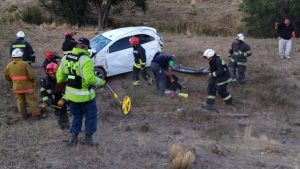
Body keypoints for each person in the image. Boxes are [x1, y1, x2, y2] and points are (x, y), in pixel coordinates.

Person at [56, 38, 106, 146]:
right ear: (86, 47)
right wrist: (101, 82)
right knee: (91, 117)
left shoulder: (65, 58)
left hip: (71, 97)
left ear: (77, 46)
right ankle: (88, 139)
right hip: (86, 97)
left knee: (76, 116)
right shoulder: (86, 60)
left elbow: (59, 77)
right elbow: (91, 79)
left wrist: (70, 80)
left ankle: (73, 138)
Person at [4, 48, 40, 119]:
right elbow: (32, 75)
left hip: (17, 87)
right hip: (28, 87)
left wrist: (13, 82)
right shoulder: (24, 64)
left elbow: (7, 76)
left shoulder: (9, 65)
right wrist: (33, 81)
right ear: (21, 56)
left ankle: (24, 116)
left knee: (20, 101)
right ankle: (36, 115)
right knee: (32, 100)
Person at [40, 62, 69, 129]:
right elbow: (43, 91)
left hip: (62, 99)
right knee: (57, 113)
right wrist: (46, 99)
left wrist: (64, 99)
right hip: (52, 101)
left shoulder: (60, 79)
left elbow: (65, 91)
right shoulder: (45, 81)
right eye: (50, 74)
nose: (52, 75)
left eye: (54, 73)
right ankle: (61, 125)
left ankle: (67, 124)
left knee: (64, 112)